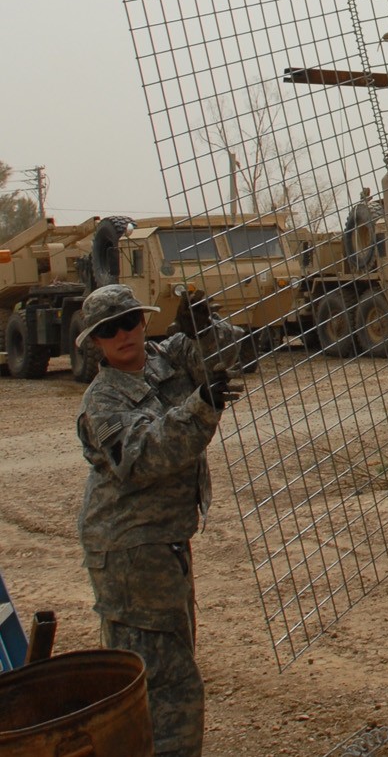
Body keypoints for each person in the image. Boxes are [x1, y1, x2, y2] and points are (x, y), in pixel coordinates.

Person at [75, 283, 243, 757]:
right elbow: (142, 455)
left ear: (144, 321)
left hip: (163, 543)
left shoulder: (167, 356)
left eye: (130, 322)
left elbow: (237, 354)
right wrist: (202, 404)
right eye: (110, 330)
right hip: (129, 551)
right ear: (96, 343)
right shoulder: (101, 403)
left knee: (168, 669)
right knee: (165, 687)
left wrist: (205, 329)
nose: (124, 334)